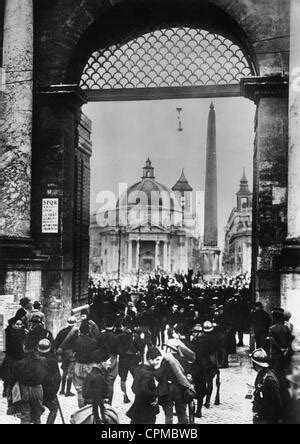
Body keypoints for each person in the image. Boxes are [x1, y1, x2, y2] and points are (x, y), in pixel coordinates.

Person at [9, 346, 48, 424]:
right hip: (38, 390)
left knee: (25, 417)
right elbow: (47, 377)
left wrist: (10, 402)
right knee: (37, 416)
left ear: (25, 350)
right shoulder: (43, 361)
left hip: (23, 390)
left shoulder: (19, 363)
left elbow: (12, 381)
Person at [127, 347, 161, 424]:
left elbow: (133, 388)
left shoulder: (139, 369)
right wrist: (154, 396)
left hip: (138, 404)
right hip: (147, 407)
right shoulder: (148, 374)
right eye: (157, 360)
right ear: (150, 359)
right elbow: (144, 389)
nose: (158, 363)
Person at [250, 348, 283, 424]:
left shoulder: (268, 379)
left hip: (267, 418)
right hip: (261, 415)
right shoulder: (262, 374)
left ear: (255, 364)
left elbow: (277, 400)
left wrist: (279, 418)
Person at [73, 320, 98, 408]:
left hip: (79, 365)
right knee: (90, 388)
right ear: (89, 331)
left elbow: (74, 354)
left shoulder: (77, 341)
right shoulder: (93, 342)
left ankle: (81, 409)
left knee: (79, 389)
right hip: (90, 366)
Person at [82, 349, 112, 423]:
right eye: (107, 361)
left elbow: (85, 394)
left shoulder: (90, 375)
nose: (109, 363)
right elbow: (99, 399)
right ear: (101, 363)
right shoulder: (99, 377)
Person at [118, 326, 145, 404]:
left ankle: (125, 396)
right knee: (136, 377)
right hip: (133, 359)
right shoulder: (135, 336)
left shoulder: (120, 336)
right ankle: (137, 395)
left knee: (123, 379)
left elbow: (117, 349)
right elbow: (141, 348)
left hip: (123, 359)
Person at [96, 316, 119, 404]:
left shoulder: (100, 336)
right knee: (110, 382)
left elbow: (96, 346)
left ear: (105, 326)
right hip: (112, 358)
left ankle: (100, 401)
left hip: (101, 358)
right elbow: (118, 350)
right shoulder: (115, 337)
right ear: (113, 326)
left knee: (101, 380)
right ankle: (109, 403)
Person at [54, 316, 79, 397]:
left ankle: (62, 390)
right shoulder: (76, 332)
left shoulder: (62, 331)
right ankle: (68, 391)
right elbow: (77, 343)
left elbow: (56, 342)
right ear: (75, 322)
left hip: (64, 353)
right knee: (70, 373)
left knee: (64, 372)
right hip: (72, 354)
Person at [38, 339, 61, 424]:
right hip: (49, 390)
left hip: (37, 389)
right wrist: (54, 391)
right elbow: (57, 378)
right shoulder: (52, 360)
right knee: (54, 409)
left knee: (37, 411)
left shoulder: (35, 358)